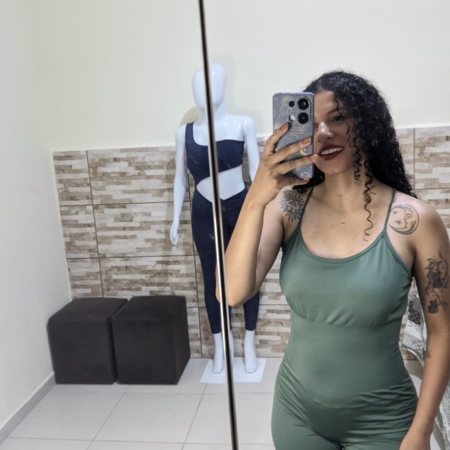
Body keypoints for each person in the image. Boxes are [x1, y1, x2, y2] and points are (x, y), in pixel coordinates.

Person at [220, 70, 450, 449]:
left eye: (338, 117)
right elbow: (231, 293)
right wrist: (256, 196)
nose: (324, 133)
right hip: (296, 415)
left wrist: (421, 431)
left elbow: (441, 332)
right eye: (312, 123)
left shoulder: (414, 221)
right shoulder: (287, 208)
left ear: (366, 124)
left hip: (385, 421)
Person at [170, 63, 261, 374]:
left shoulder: (243, 124)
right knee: (212, 278)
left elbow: (257, 172)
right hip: (203, 209)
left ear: (224, 86)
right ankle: (222, 345)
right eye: (197, 85)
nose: (204, 91)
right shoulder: (184, 133)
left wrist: (265, 210)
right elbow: (180, 178)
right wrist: (174, 218)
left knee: (247, 274)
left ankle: (249, 342)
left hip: (240, 207)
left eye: (211, 84)